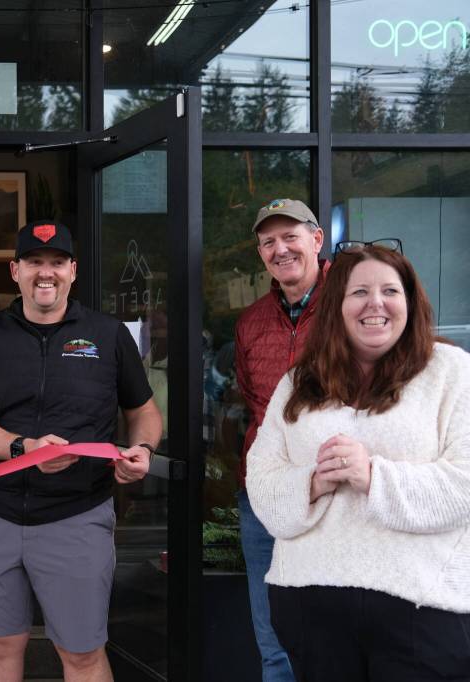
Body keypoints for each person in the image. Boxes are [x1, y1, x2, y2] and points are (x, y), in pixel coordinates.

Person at [246, 242, 470, 681]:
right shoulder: (298, 383)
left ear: (410, 301)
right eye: (359, 292)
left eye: (390, 291)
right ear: (336, 307)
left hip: (422, 610)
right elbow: (262, 481)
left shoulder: (451, 372)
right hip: (310, 604)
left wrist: (374, 476)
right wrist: (311, 483)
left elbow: (464, 484)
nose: (376, 303)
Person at [0, 221, 163, 682]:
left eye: (56, 263)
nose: (45, 274)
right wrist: (23, 449)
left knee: (82, 653)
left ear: (73, 270)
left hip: (76, 516)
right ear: (15, 271)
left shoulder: (107, 335)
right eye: (33, 263)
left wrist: (142, 449)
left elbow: (144, 412)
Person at [234, 198, 328, 682]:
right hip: (265, 492)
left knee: (336, 631)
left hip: (336, 491)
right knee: (271, 637)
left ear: (316, 239)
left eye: (290, 236)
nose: (280, 249)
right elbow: (253, 400)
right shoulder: (251, 321)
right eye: (268, 241)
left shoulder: (354, 303)